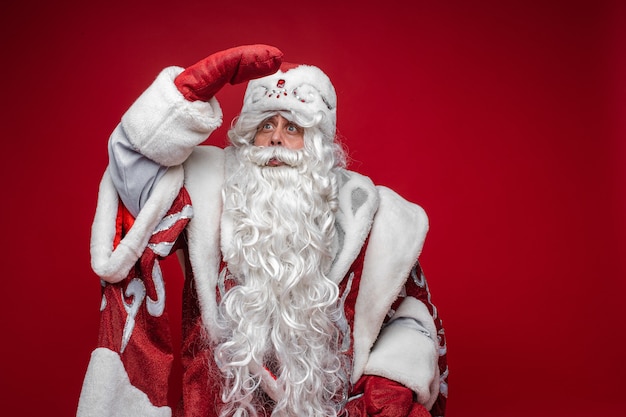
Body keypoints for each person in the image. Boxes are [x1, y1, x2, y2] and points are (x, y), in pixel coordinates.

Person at [77, 45, 448, 417]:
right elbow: (132, 178)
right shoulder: (208, 190)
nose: (275, 139)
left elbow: (409, 312)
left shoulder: (369, 216)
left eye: (293, 128)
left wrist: (392, 377)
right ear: (248, 137)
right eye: (265, 125)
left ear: (318, 144)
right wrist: (180, 100)